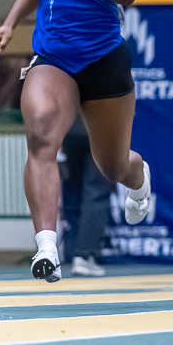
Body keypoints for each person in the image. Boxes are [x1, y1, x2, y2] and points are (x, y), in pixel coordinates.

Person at [0, 0, 151, 283]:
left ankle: (138, 177)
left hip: (102, 61)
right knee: (41, 135)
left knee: (113, 167)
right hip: (53, 60)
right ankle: (47, 247)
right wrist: (10, 21)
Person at [59, 116, 114, 277]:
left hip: (68, 127)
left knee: (73, 187)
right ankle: (84, 255)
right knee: (98, 190)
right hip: (97, 123)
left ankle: (71, 250)